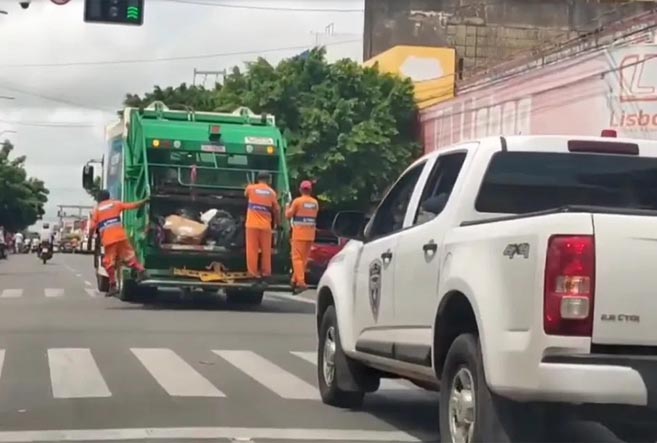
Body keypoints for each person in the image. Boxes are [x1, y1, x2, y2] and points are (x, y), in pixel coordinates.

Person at [90, 190, 148, 297]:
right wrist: (144, 201)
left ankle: (113, 285)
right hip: (121, 237)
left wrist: (90, 237)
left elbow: (92, 227)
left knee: (108, 263)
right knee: (129, 257)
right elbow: (132, 205)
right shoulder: (115, 204)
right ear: (108, 197)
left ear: (98, 199)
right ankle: (142, 271)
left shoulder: (97, 210)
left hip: (109, 239)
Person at [244, 171, 280, 283]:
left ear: (257, 178)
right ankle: (266, 272)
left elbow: (245, 195)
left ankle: (253, 273)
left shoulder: (251, 188)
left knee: (252, 249)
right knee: (266, 250)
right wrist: (278, 223)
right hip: (265, 226)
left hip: (251, 225)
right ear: (268, 180)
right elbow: (277, 209)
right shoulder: (271, 192)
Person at [285, 180, 319, 293]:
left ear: (300, 190)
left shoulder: (297, 201)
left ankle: (301, 282)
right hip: (310, 234)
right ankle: (294, 279)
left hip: (299, 234)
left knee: (296, 258)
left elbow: (288, 215)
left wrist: (287, 207)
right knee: (303, 260)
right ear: (310, 190)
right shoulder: (315, 203)